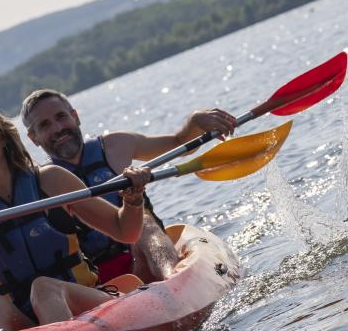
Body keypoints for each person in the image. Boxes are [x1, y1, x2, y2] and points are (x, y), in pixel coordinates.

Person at [0, 95, 152, 330]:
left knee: (44, 288)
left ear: (1, 135)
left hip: (92, 304)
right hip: (30, 321)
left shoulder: (50, 180)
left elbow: (126, 231)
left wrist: (133, 200)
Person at [20, 89, 237, 283]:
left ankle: (173, 279)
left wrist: (195, 121)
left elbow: (178, 143)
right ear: (33, 138)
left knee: (143, 220)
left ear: (75, 117)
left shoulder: (115, 145)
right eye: (44, 125)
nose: (58, 129)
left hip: (145, 255)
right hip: (96, 280)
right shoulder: (39, 183)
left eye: (61, 117)